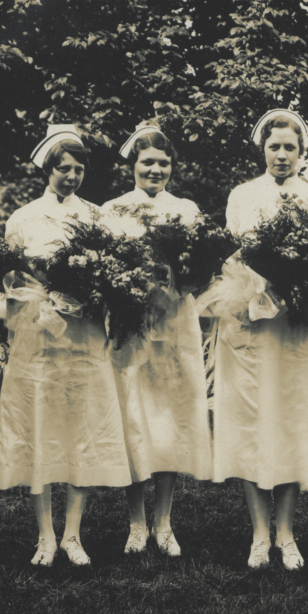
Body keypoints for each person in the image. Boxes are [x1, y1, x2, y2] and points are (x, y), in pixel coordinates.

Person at [0, 124, 132, 566]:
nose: (70, 177)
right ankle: (44, 535)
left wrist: (88, 294)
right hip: (38, 336)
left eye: (77, 170)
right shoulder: (21, 218)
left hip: (83, 337)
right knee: (40, 429)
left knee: (81, 431)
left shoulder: (96, 216)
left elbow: (109, 278)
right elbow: (11, 280)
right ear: (46, 169)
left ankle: (73, 534)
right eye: (62, 168)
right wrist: (41, 297)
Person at [213, 109, 308, 570]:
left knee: (288, 422)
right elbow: (232, 260)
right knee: (251, 423)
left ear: (303, 153)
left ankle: (286, 532)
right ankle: (259, 533)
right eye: (274, 146)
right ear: (262, 149)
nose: (282, 154)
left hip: (293, 329)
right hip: (250, 325)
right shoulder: (242, 195)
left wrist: (299, 290)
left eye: (290, 147)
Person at [98, 120, 213, 557]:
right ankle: (135, 523)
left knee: (172, 422)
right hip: (132, 326)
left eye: (164, 163)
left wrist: (182, 280)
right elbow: (106, 273)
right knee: (135, 420)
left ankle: (164, 522)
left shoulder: (186, 210)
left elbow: (203, 271)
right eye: (148, 162)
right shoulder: (111, 211)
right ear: (133, 164)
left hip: (177, 324)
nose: (156, 170)